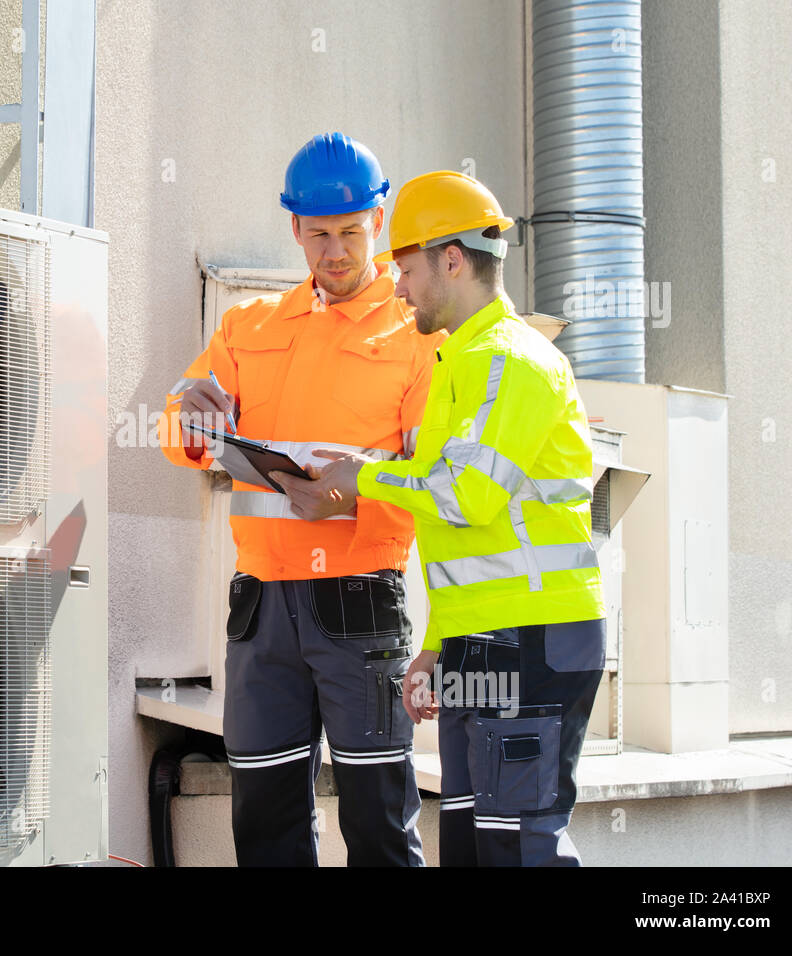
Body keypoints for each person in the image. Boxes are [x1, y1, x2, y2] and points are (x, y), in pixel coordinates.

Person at [285, 170, 607, 866]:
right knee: (469, 846)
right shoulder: (460, 366)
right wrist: (438, 645)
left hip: (535, 642)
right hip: (484, 639)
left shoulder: (510, 362)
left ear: (451, 259)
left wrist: (362, 476)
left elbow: (467, 495)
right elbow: (462, 534)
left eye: (404, 269)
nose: (397, 288)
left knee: (520, 847)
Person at [158, 132, 440, 866]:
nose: (336, 252)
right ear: (294, 229)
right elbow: (175, 430)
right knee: (265, 822)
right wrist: (190, 413)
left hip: (359, 601)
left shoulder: (416, 335)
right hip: (261, 610)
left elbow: (437, 473)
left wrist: (362, 478)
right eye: (319, 235)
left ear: (377, 224)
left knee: (379, 822)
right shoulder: (248, 327)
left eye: (351, 233)